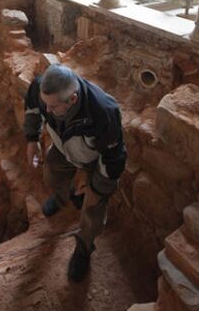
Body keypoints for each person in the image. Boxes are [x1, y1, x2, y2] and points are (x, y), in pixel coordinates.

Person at [24, 65, 126, 282]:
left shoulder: (103, 112)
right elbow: (33, 107)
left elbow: (113, 159)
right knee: (51, 174)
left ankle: (83, 249)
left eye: (52, 106)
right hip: (64, 148)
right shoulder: (43, 89)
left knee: (92, 209)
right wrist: (32, 139)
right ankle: (63, 198)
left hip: (95, 160)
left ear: (72, 99)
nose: (47, 110)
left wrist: (94, 187)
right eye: (46, 103)